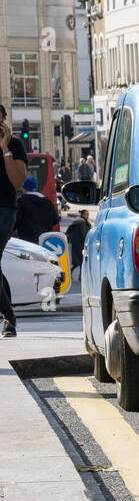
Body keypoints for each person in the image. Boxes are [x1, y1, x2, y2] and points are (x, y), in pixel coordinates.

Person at [0, 104, 28, 337]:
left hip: (4, 210)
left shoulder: (14, 146)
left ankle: (9, 316)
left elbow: (19, 181)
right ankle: (9, 316)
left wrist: (5, 150)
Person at [14, 176, 58, 244]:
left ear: (24, 188)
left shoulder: (21, 201)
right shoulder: (48, 202)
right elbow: (55, 220)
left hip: (27, 241)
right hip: (45, 241)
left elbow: (15, 221)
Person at [65, 208, 90, 274]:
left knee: (78, 260)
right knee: (81, 260)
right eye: (86, 214)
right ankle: (80, 275)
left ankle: (73, 272)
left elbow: (67, 233)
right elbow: (84, 234)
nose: (87, 216)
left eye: (88, 214)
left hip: (75, 244)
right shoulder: (83, 223)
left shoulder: (75, 222)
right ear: (82, 215)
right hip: (81, 244)